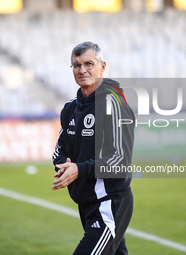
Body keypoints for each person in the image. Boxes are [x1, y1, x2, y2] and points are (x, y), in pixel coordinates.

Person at [52, 41, 135, 255]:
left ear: (102, 66)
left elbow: (119, 161)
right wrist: (63, 165)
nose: (82, 70)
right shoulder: (70, 108)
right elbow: (60, 149)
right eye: (76, 65)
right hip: (86, 203)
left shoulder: (114, 103)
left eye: (89, 64)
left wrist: (79, 169)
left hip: (109, 203)